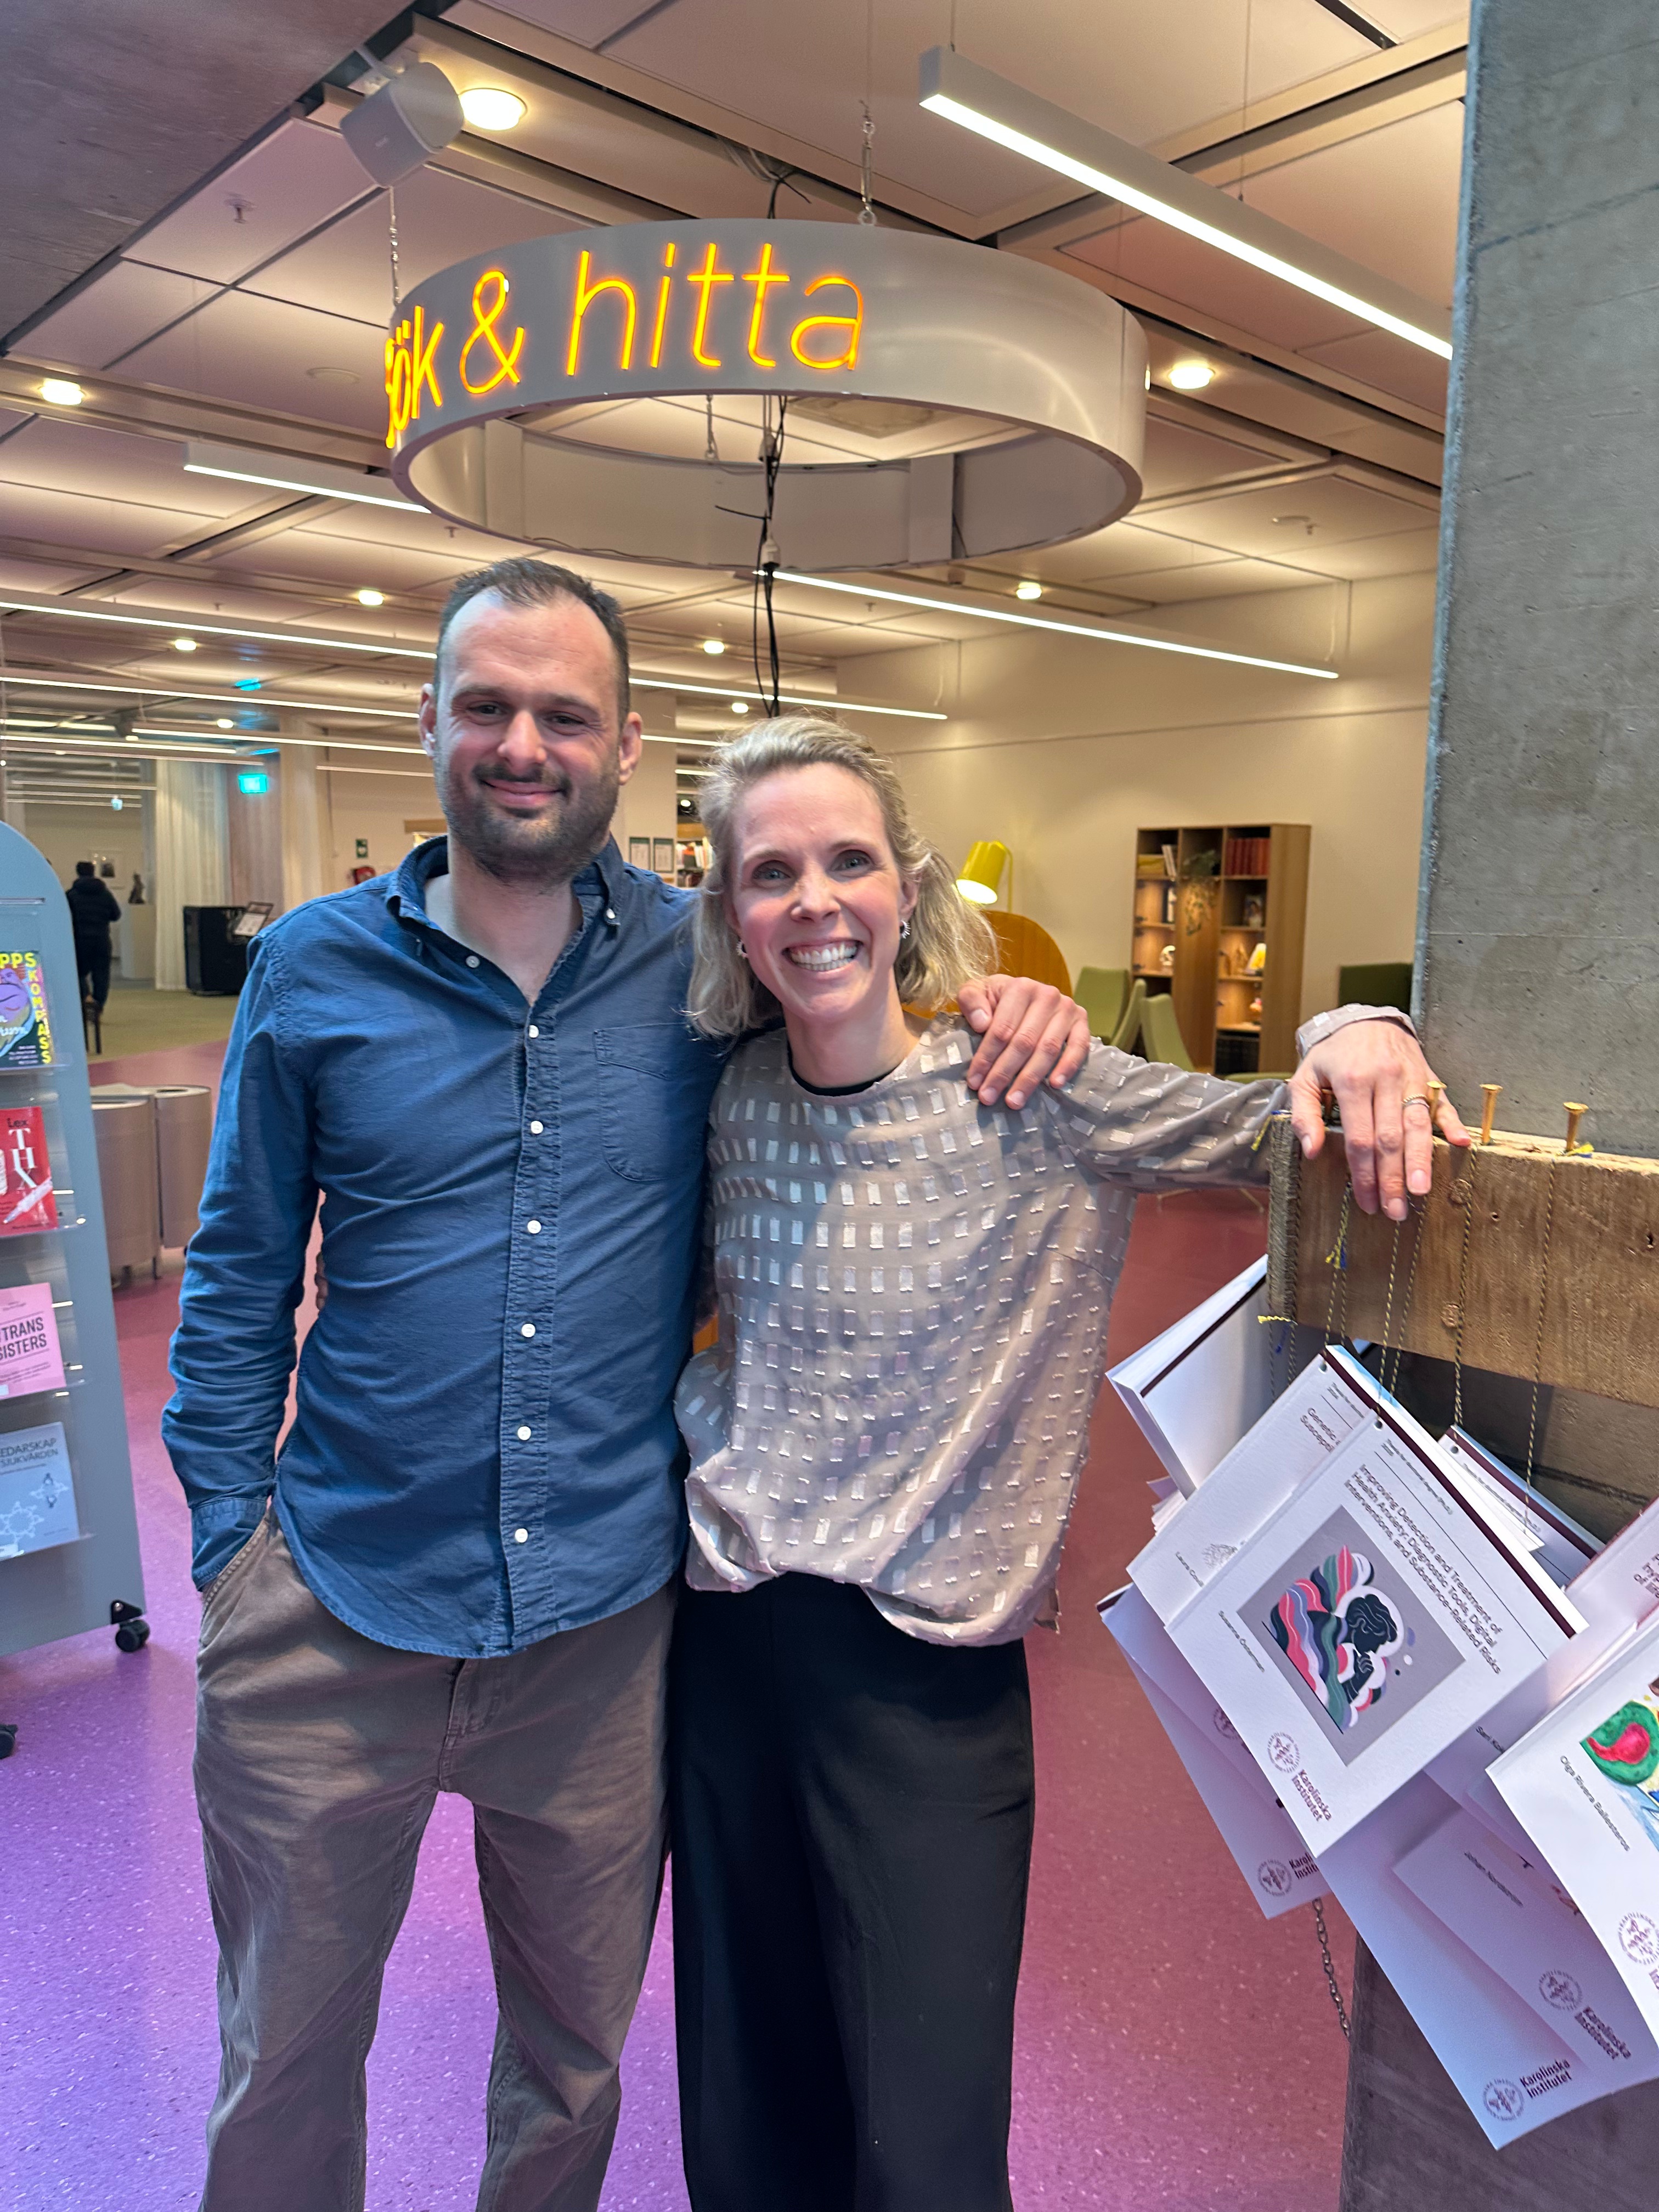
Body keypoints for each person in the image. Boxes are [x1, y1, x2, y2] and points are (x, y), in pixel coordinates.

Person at [161, 555, 1096, 2212]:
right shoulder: (312, 967)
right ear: (431, 722)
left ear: (627, 744)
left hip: (597, 1634)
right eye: (487, 707)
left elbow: (865, 1021)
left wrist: (1011, 998)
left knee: (572, 2067)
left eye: (565, 715)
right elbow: (237, 1270)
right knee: (285, 2058)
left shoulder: (704, 970)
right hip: (332, 1608)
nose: (525, 746)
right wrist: (232, 1546)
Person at [667, 715, 1464, 2212]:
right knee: (751, 2092)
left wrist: (1359, 1030)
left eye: (848, 861)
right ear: (732, 914)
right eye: (770, 873)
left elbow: (1275, 1136)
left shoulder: (1032, 1090)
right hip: (724, 1640)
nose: (814, 901)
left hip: (927, 1668)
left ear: (907, 888)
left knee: (928, 2130)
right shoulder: (727, 1097)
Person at [65, 858, 121, 1011]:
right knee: (102, 975)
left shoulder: (71, 895)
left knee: (78, 972)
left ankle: (86, 997)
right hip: (101, 939)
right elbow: (116, 915)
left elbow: (64, 917)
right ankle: (98, 1006)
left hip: (80, 940)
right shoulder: (106, 894)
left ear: (78, 872)